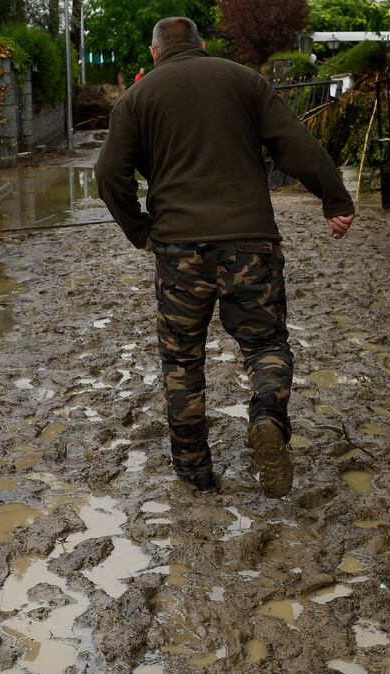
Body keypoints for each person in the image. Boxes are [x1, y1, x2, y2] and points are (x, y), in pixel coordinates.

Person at [95, 16, 355, 498]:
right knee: (265, 344)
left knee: (182, 360)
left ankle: (195, 473)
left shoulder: (137, 97)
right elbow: (294, 145)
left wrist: (140, 231)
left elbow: (109, 175)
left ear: (155, 52)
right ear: (202, 45)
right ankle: (267, 417)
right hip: (251, 242)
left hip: (179, 250)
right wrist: (334, 200)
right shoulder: (245, 81)